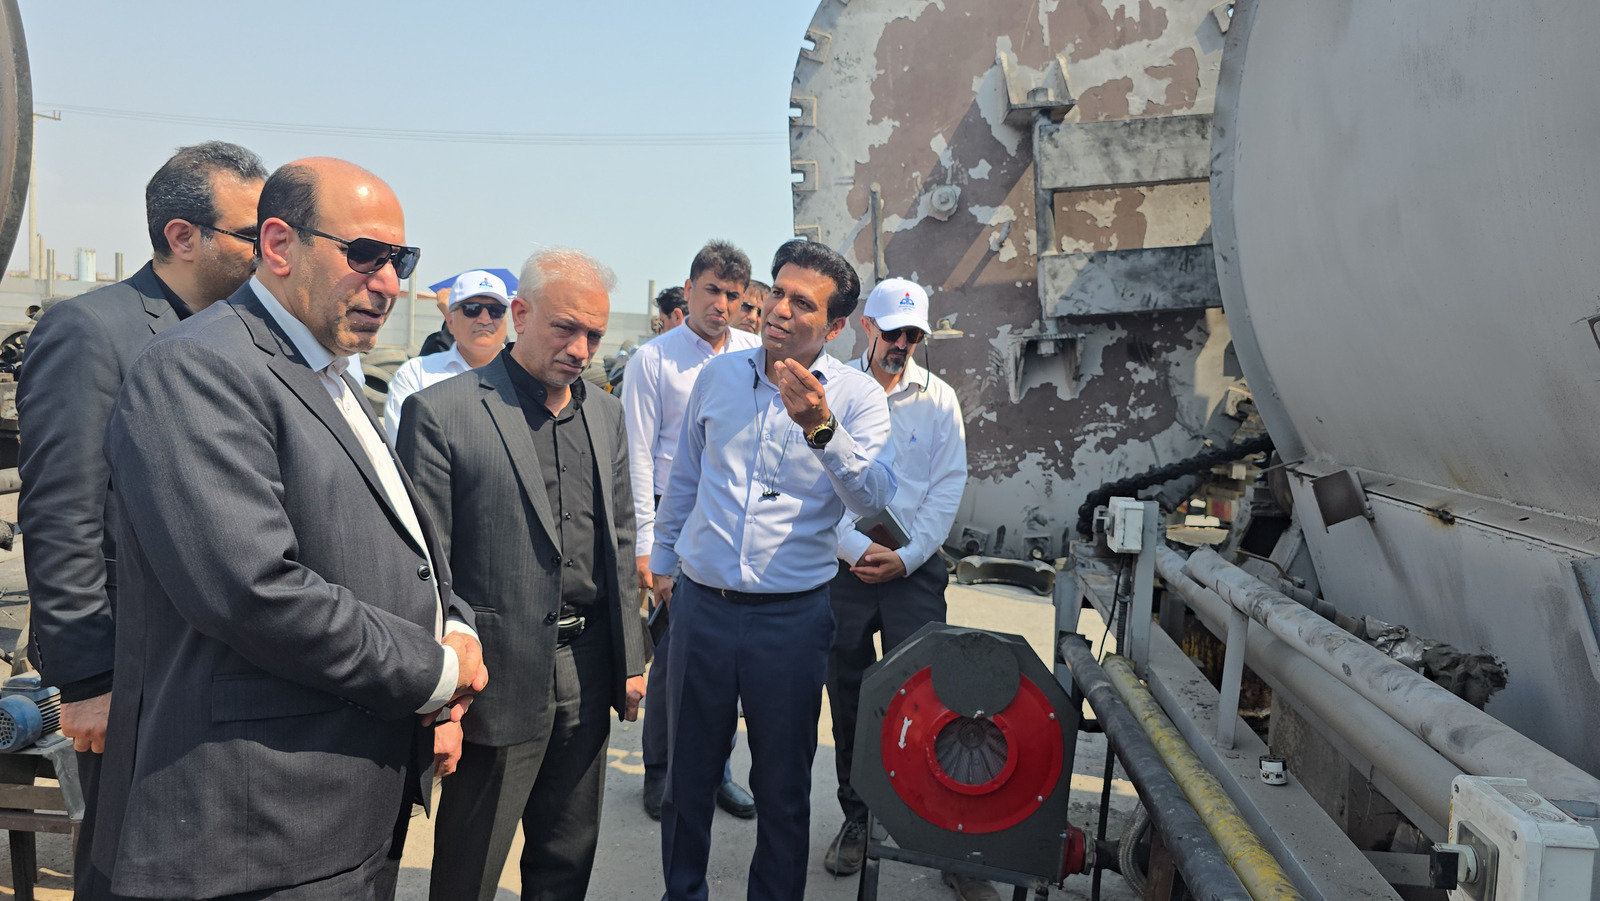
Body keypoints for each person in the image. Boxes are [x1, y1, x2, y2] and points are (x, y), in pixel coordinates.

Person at [96, 158, 484, 899]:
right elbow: (252, 590)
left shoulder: (331, 375)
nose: (388, 282)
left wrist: (455, 624)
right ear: (278, 245)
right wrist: (433, 672)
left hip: (343, 810)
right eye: (364, 254)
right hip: (260, 830)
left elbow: (398, 544)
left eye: (399, 260)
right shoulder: (198, 368)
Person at [16, 140, 267, 900]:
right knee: (127, 862)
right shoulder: (93, 331)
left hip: (224, 660)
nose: (271, 250)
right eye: (252, 234)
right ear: (183, 236)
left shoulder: (244, 336)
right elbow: (62, 515)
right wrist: (88, 679)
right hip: (132, 666)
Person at [399, 248, 649, 901]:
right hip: (493, 674)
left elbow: (619, 540)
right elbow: (426, 570)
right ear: (521, 313)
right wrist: (439, 700)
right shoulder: (443, 413)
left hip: (588, 668)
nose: (581, 349)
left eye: (594, 334)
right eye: (565, 328)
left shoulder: (605, 414)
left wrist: (630, 658)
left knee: (567, 855)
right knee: (471, 866)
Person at [650, 239, 896, 901]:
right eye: (778, 292)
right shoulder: (719, 377)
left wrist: (820, 426)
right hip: (701, 608)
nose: (779, 310)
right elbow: (686, 479)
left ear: (836, 327)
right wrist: (665, 563)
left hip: (791, 620)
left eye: (802, 303)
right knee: (687, 780)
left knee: (783, 787)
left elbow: (873, 502)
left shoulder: (858, 398)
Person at [818, 279, 977, 898]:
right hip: (846, 571)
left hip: (913, 571)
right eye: (893, 332)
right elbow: (816, 481)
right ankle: (858, 817)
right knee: (850, 696)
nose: (902, 344)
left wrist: (907, 558)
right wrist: (854, 549)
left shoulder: (939, 400)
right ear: (868, 327)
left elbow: (947, 485)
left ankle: (940, 831)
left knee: (929, 698)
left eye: (913, 334)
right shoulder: (833, 390)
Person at [623, 240, 759, 822]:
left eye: (733, 295)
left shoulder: (755, 354)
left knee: (727, 657)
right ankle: (660, 769)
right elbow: (637, 456)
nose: (721, 304)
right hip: (673, 519)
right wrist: (649, 547)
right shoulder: (653, 361)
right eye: (711, 291)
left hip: (733, 522)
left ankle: (717, 771)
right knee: (675, 654)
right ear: (688, 289)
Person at [384, 269, 510, 443]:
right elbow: (406, 445)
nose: (485, 319)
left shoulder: (528, 374)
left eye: (496, 310)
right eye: (472, 309)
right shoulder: (417, 374)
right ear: (450, 321)